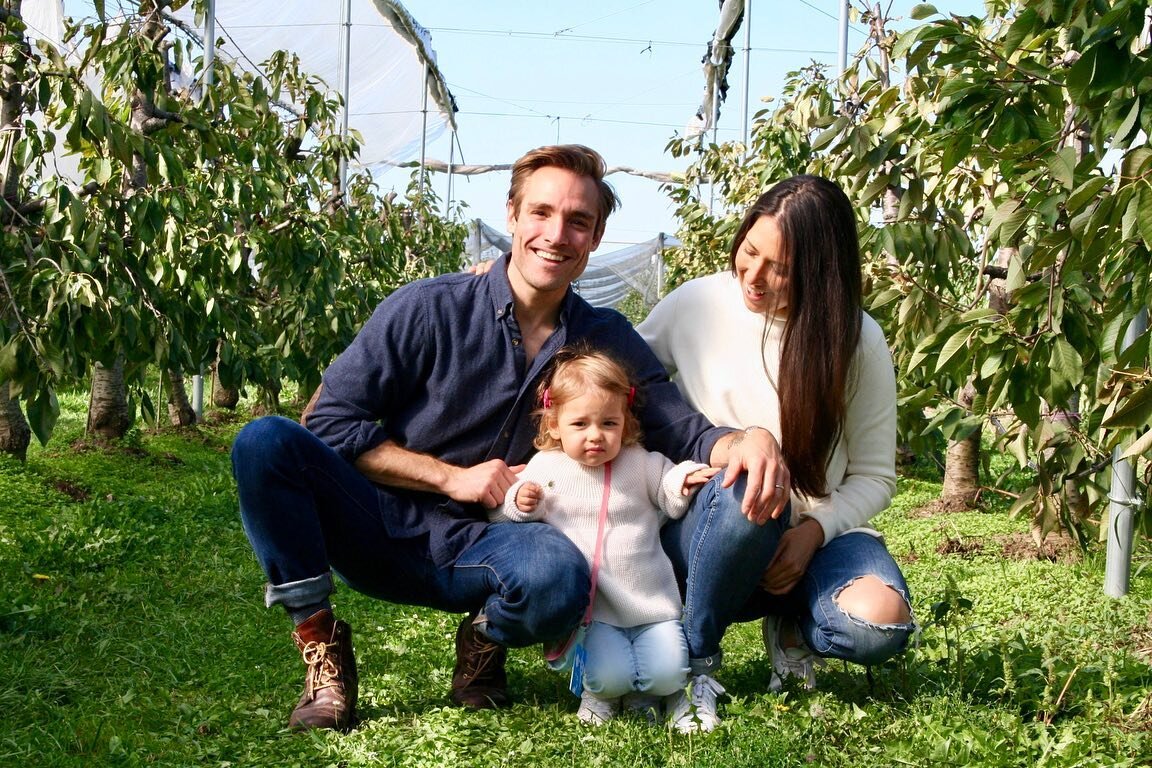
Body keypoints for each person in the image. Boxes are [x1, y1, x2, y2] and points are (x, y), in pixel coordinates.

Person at [230, 144, 789, 732]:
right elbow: (330, 423)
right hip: (383, 527)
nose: (557, 234)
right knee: (265, 443)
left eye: (579, 221)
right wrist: (449, 476)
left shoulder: (601, 338)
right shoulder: (427, 309)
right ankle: (321, 645)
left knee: (560, 579)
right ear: (513, 216)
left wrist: (746, 441)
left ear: (595, 237)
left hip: (498, 541)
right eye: (541, 213)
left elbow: (683, 428)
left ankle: (483, 637)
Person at [637, 174, 916, 703]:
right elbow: (620, 374)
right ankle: (693, 661)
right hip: (710, 533)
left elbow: (876, 476)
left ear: (820, 273)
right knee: (749, 490)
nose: (755, 277)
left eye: (781, 270)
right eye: (749, 252)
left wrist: (814, 529)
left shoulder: (856, 340)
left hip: (810, 540)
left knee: (878, 624)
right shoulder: (695, 304)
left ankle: (792, 627)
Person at [491, 346, 718, 725]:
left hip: (652, 606)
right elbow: (500, 512)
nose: (595, 436)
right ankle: (605, 695)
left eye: (609, 424)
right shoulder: (546, 467)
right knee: (608, 677)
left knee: (667, 674)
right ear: (554, 424)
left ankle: (653, 693)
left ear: (625, 422)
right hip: (595, 615)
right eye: (580, 424)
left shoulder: (638, 461)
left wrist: (684, 479)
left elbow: (667, 484)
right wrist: (519, 500)